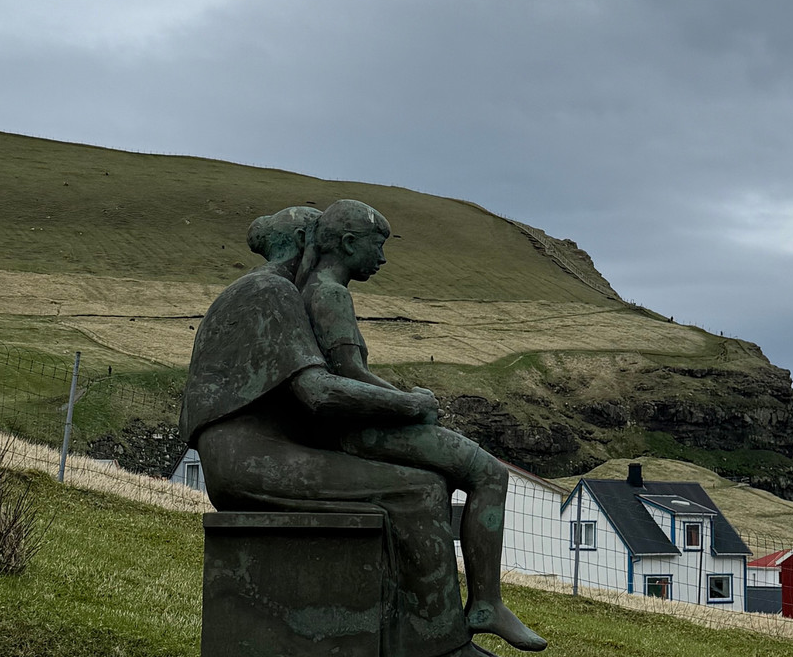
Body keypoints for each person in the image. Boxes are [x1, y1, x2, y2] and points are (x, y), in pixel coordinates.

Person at [181, 206, 490, 657]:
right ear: (308, 239)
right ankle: (443, 649)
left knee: (421, 484)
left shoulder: (257, 291)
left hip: (258, 452)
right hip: (249, 461)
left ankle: (411, 635)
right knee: (416, 491)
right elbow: (317, 393)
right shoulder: (271, 292)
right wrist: (411, 404)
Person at [295, 199, 546, 653]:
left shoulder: (315, 288)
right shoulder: (331, 293)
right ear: (349, 243)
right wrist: (409, 403)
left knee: (450, 475)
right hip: (362, 430)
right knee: (491, 473)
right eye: (378, 246)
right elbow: (347, 374)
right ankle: (486, 602)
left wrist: (400, 396)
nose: (383, 259)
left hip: (357, 424)